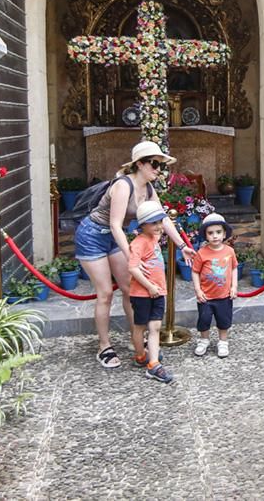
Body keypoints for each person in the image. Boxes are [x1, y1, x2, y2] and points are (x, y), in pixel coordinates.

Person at [73, 140, 196, 369]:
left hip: (113, 238)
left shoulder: (148, 188)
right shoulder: (123, 185)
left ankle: (136, 339)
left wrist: (181, 245)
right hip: (93, 235)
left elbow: (162, 218)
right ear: (139, 164)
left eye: (161, 165)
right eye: (154, 164)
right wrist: (132, 255)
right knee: (105, 293)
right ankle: (104, 346)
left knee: (131, 289)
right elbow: (116, 225)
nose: (158, 169)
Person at [125, 199, 174, 383]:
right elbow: (133, 268)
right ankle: (140, 355)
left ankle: (153, 364)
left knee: (155, 327)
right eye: (153, 223)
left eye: (160, 222)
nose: (158, 226)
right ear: (142, 224)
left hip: (158, 291)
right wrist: (149, 286)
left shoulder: (154, 238)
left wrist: (157, 288)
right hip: (142, 294)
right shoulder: (138, 243)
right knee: (140, 327)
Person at [190, 213, 239, 358]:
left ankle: (223, 342)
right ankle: (204, 340)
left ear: (224, 234)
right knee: (204, 319)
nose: (215, 236)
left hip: (224, 295)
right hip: (206, 296)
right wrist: (198, 290)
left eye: (218, 232)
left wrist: (234, 286)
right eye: (210, 233)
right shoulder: (202, 253)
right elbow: (195, 271)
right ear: (205, 235)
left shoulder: (229, 251)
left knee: (224, 320)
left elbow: (234, 268)